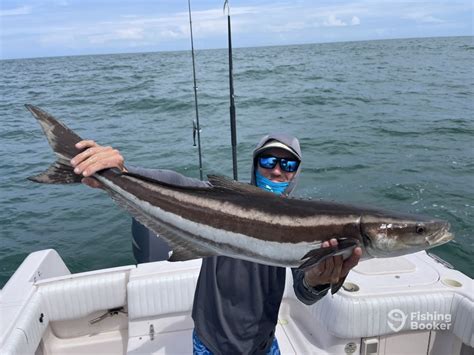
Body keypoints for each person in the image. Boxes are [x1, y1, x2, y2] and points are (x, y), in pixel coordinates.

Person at [71, 133, 362, 354]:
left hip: (263, 344)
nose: (276, 171)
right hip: (209, 344)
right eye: (268, 161)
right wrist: (120, 171)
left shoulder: (308, 224)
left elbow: (305, 292)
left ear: (295, 173)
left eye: (287, 164)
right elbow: (178, 183)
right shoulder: (220, 203)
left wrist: (318, 280)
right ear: (255, 164)